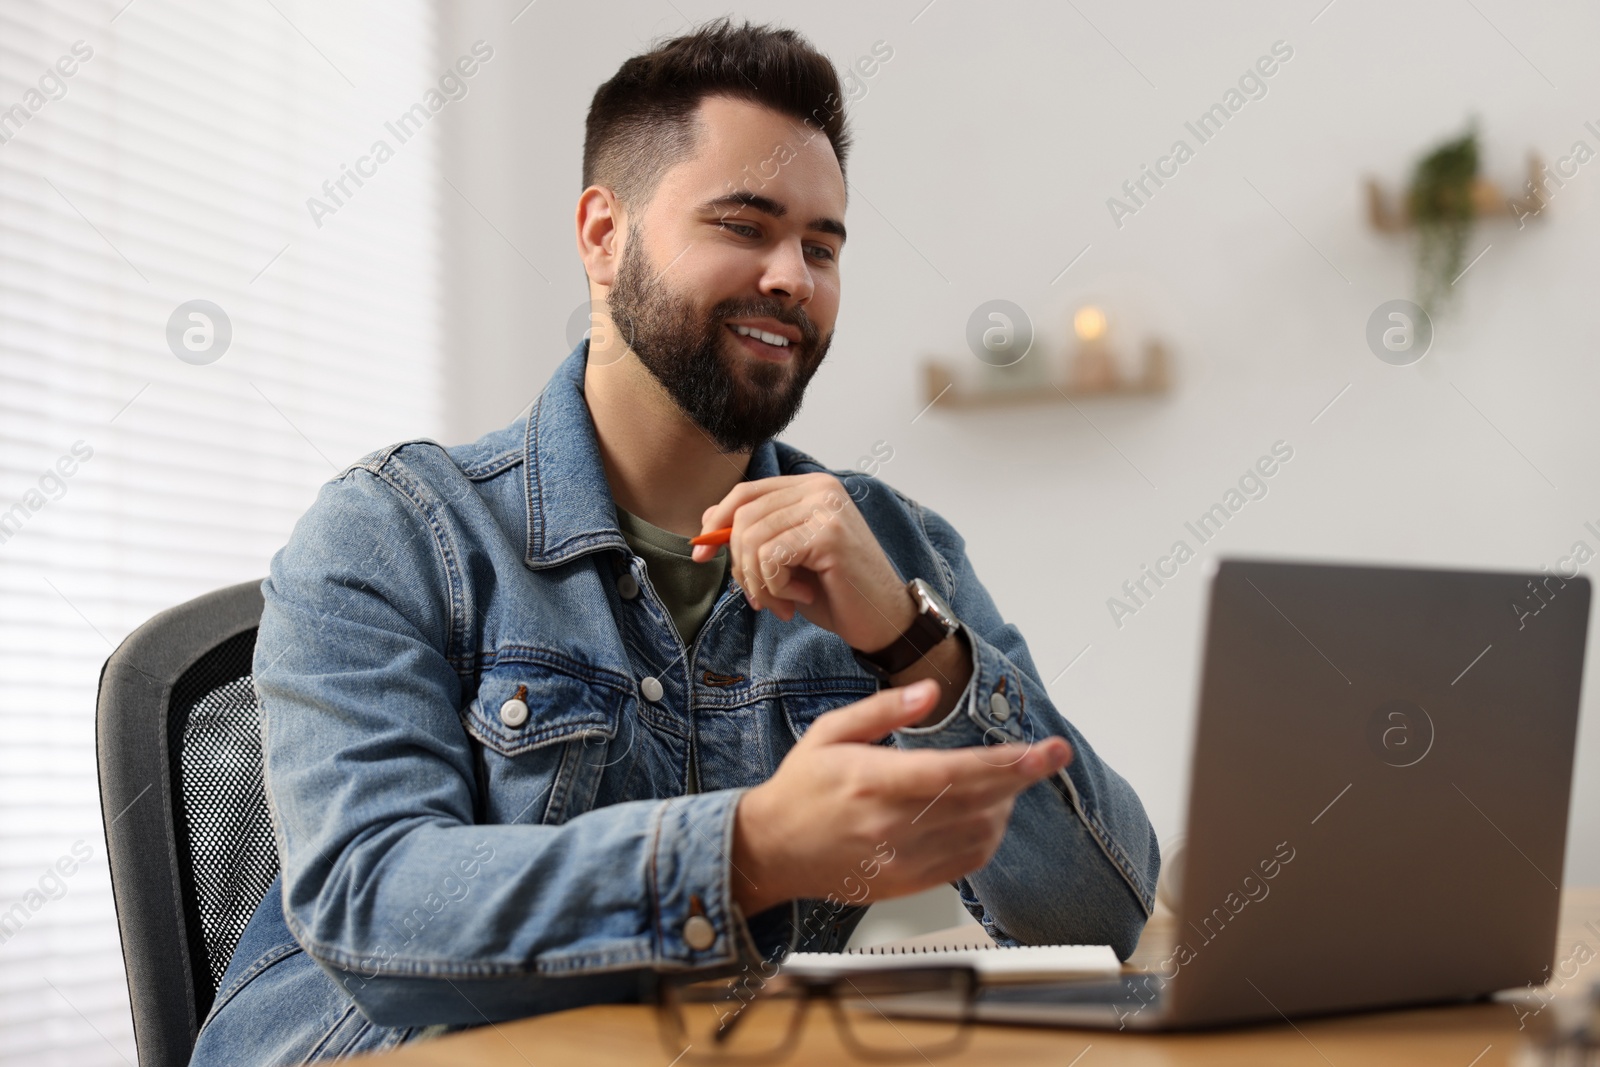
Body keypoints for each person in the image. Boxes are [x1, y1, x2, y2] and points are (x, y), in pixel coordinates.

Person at [190, 17, 1159, 1064]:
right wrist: (746, 852)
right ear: (603, 236)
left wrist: (910, 639)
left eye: (822, 245)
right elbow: (370, 908)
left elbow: (1096, 918)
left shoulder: (885, 545)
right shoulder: (390, 530)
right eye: (745, 225)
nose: (793, 273)